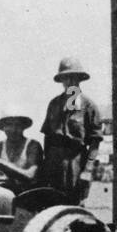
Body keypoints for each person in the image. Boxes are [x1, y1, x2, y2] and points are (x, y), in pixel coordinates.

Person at [40, 57, 103, 203]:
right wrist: (47, 163)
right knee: (51, 203)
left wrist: (88, 169)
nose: (69, 82)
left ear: (79, 80)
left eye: (73, 78)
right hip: (54, 160)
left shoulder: (89, 106)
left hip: (75, 160)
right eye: (65, 78)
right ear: (61, 80)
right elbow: (47, 136)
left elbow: (95, 141)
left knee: (74, 203)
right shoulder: (54, 104)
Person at [0, 108, 43, 183]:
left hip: (26, 191)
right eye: (9, 125)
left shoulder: (32, 145)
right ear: (3, 127)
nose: (13, 130)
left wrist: (1, 163)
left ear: (23, 127)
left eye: (18, 125)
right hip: (4, 190)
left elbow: (30, 175)